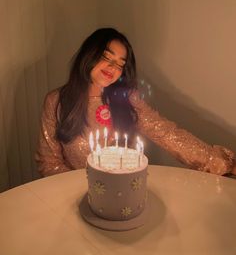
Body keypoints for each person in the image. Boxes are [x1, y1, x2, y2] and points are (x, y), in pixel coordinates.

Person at [35, 28, 236, 177]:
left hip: (124, 195)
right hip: (74, 199)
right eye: (107, 57)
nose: (112, 67)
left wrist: (220, 161)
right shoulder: (56, 102)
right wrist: (90, 187)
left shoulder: (127, 100)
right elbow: (49, 162)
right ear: (89, 55)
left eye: (120, 64)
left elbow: (167, 133)